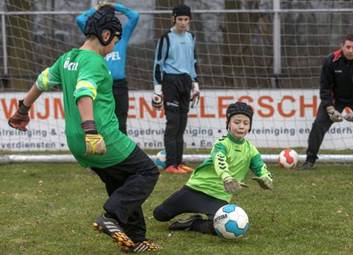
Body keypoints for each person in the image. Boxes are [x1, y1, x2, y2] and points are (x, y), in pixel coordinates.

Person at [8, 6, 160, 253]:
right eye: (116, 41)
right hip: (100, 136)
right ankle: (111, 216)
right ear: (107, 35)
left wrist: (22, 110)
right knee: (147, 172)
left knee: (121, 180)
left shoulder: (67, 58)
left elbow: (41, 81)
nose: (114, 48)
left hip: (76, 143)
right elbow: (84, 93)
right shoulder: (95, 62)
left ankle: (135, 239)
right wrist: (92, 131)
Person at [153, 102, 273, 235]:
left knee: (219, 229)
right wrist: (226, 177)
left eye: (245, 123)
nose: (241, 126)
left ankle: (193, 223)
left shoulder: (251, 150)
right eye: (237, 122)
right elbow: (219, 161)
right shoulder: (221, 144)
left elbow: (260, 166)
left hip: (218, 198)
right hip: (195, 189)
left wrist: (266, 177)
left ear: (250, 126)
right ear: (228, 123)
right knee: (159, 214)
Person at [76, 2, 139, 135]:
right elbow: (80, 19)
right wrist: (97, 8)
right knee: (100, 121)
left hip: (119, 86)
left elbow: (135, 16)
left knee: (121, 122)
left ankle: (122, 153)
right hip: (101, 84)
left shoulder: (121, 37)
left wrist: (113, 5)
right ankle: (100, 148)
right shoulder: (95, 36)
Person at [152, 4, 200, 174]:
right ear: (174, 19)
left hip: (185, 82)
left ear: (189, 20)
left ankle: (179, 163)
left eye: (186, 19)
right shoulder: (166, 38)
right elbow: (158, 64)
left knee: (182, 124)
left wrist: (195, 84)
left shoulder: (191, 37)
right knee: (173, 124)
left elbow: (193, 62)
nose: (183, 22)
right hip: (171, 82)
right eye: (180, 19)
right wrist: (157, 90)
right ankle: (170, 164)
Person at [300, 34, 353, 170]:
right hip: (335, 100)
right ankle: (310, 160)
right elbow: (325, 87)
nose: (351, 50)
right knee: (318, 125)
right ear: (342, 46)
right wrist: (330, 108)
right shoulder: (330, 60)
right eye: (348, 47)